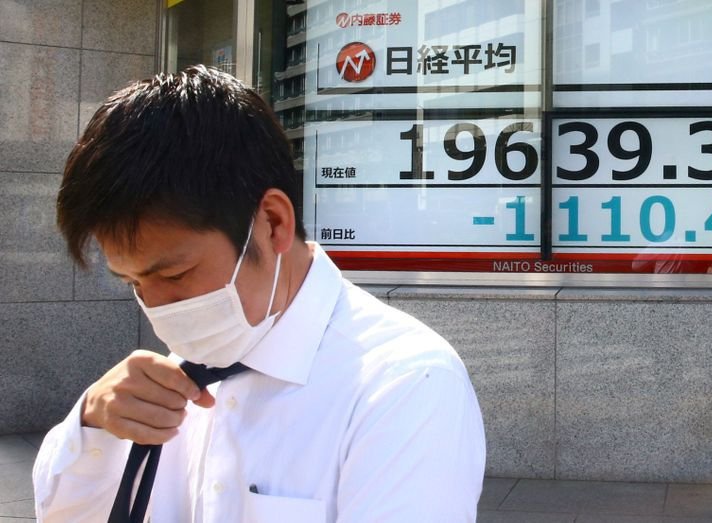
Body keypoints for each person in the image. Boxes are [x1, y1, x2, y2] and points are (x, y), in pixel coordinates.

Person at [32, 65, 486, 522]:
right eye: (133, 283)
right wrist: (93, 427)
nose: (157, 309)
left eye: (175, 275)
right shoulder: (157, 389)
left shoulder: (403, 385)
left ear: (273, 223)